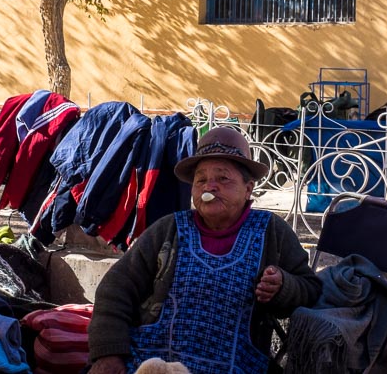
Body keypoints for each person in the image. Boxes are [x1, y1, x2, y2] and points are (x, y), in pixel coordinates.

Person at [87, 126, 322, 374]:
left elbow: (310, 288)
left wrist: (283, 286)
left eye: (223, 178)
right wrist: (109, 353)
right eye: (201, 180)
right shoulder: (168, 229)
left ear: (248, 189)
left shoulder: (272, 232)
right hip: (152, 361)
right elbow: (116, 289)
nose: (209, 187)